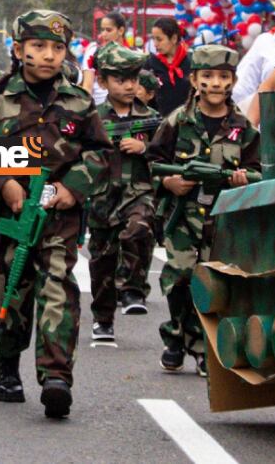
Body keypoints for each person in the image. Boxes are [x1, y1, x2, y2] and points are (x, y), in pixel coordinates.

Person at [0, 10, 111, 419]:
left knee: (58, 288)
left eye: (58, 47)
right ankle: (6, 361)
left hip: (60, 215)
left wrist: (72, 187)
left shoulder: (79, 102)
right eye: (38, 46)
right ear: (19, 49)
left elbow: (100, 153)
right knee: (11, 292)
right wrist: (5, 181)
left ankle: (57, 376)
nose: (48, 55)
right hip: (15, 215)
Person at [145, 45, 259, 378]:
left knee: (212, 282)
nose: (215, 83)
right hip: (182, 215)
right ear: (194, 80)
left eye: (223, 76)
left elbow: (257, 168)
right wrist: (169, 182)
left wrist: (242, 180)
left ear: (233, 81)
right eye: (207, 76)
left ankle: (202, 346)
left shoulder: (243, 127)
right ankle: (175, 337)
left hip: (222, 218)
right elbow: (152, 161)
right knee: (180, 275)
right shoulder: (177, 121)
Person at [85, 43, 157, 344]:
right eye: (120, 79)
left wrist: (145, 148)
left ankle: (132, 289)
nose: (129, 86)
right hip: (103, 199)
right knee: (102, 262)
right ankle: (103, 320)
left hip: (138, 194)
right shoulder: (92, 118)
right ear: (103, 82)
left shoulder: (151, 118)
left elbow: (167, 155)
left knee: (138, 230)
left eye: (134, 79)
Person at [81, 11, 129, 104]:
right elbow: (87, 87)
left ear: (121, 30)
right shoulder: (94, 51)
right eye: (102, 30)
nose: (103, 34)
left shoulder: (133, 54)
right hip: (98, 107)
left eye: (108, 30)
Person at [147, 17, 191, 117]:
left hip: (186, 120)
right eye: (153, 39)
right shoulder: (151, 63)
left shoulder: (191, 62)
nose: (155, 44)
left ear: (174, 38)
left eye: (159, 39)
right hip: (159, 121)